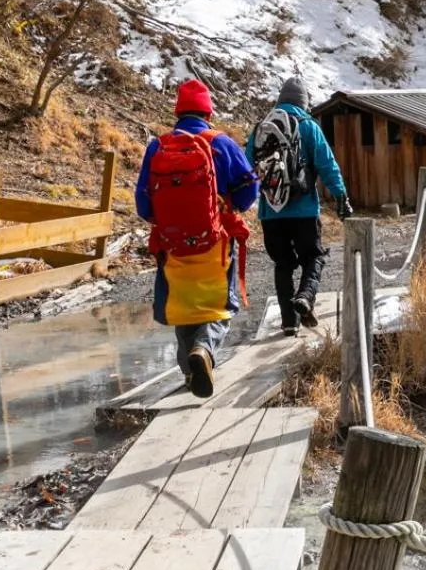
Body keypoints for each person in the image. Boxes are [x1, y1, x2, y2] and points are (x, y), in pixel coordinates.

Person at [135, 78, 257, 398]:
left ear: (178, 111)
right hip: (214, 242)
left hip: (173, 245)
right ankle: (204, 350)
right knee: (218, 307)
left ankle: (190, 373)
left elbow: (142, 203)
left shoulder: (158, 147)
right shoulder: (221, 143)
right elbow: (249, 189)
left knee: (184, 307)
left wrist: (167, 223)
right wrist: (231, 207)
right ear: (208, 111)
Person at [247, 76, 352, 336]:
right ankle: (305, 297)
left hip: (271, 212)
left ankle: (289, 322)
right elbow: (328, 165)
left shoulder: (263, 128)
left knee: (283, 264)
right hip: (304, 211)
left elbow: (246, 166)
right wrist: (341, 197)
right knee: (313, 257)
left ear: (281, 100)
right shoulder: (309, 126)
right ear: (304, 102)